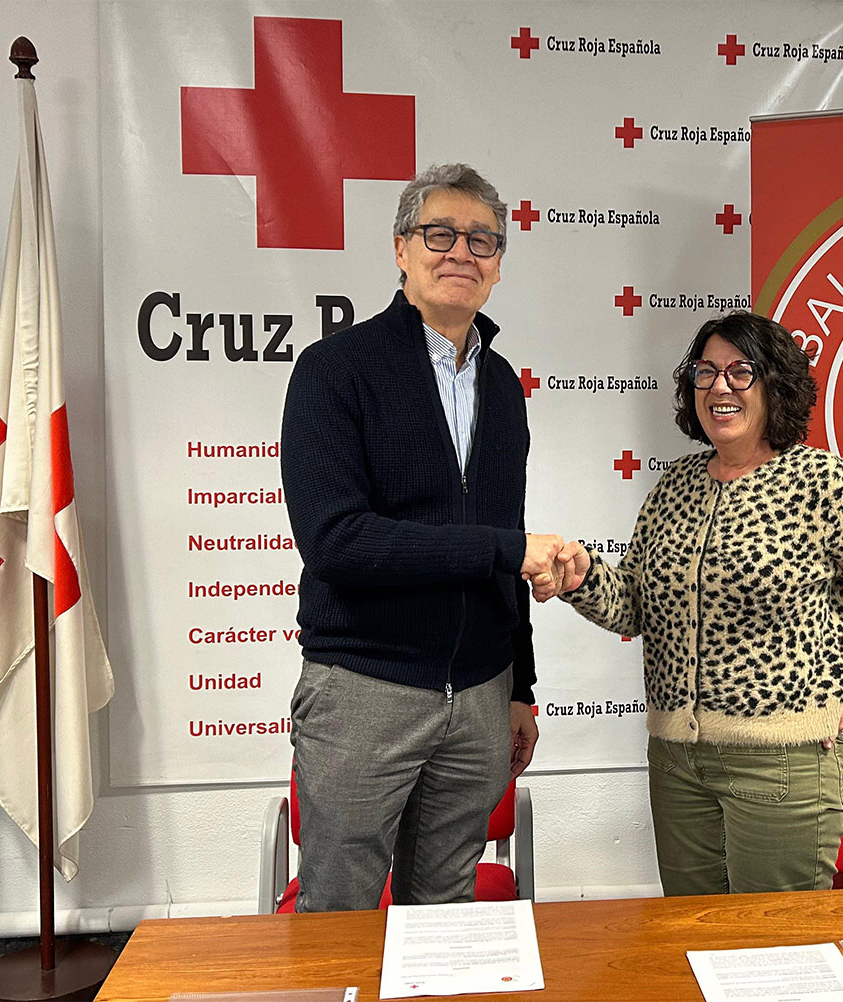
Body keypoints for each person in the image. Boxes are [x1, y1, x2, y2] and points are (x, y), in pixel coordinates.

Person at [537, 311, 843, 895]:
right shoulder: (673, 488)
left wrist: (842, 679)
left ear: (775, 385)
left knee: (777, 943)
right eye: (706, 372)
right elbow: (636, 606)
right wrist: (581, 577)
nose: (720, 386)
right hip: (676, 762)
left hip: (781, 760)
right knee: (692, 934)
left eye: (741, 371)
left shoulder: (823, 483)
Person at [280, 163, 561, 911]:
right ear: (401, 249)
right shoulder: (334, 370)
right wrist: (504, 550)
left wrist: (520, 687)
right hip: (364, 691)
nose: (461, 252)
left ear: (498, 265)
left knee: (445, 922)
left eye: (482, 240)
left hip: (481, 696)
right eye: (440, 234)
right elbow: (337, 542)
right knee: (337, 917)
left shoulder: (503, 387)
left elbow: (504, 538)